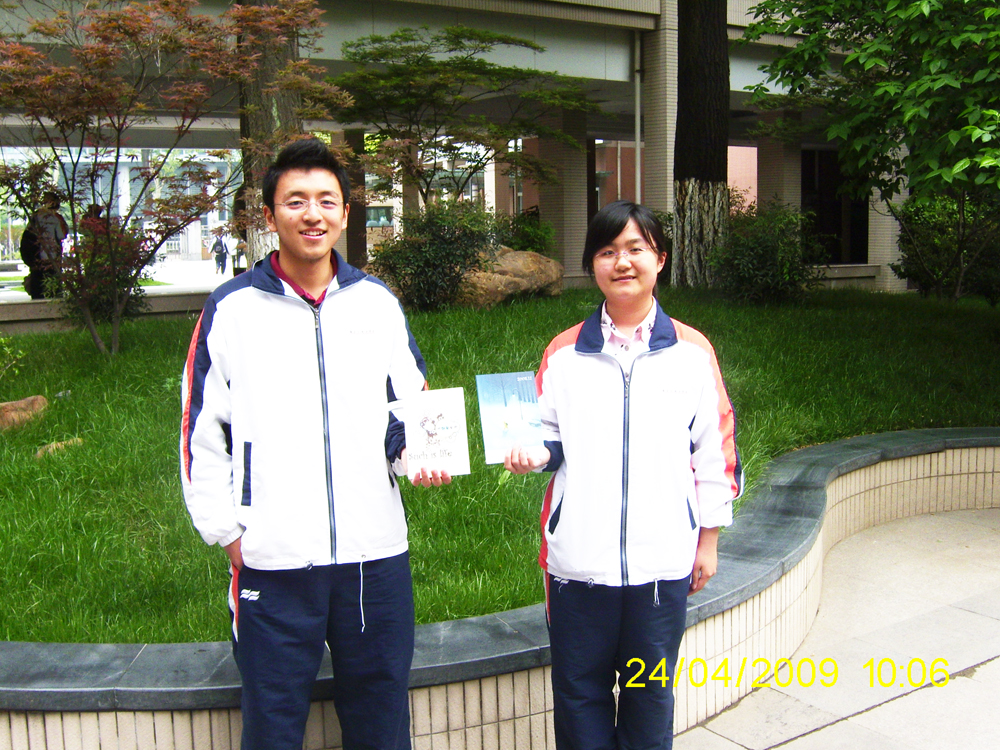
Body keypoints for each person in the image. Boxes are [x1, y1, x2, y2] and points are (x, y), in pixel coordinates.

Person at [180, 138, 451, 750]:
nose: (313, 214)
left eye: (327, 200)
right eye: (295, 200)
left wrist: (416, 454)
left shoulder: (376, 303)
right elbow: (201, 431)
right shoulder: (232, 309)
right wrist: (228, 531)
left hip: (374, 556)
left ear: (346, 213)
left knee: (382, 723)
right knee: (273, 726)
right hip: (272, 558)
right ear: (270, 214)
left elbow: (407, 406)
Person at [505, 201, 742, 750]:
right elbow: (549, 438)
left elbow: (715, 451)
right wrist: (531, 454)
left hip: (660, 571)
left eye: (636, 249)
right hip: (577, 569)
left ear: (660, 259)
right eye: (608, 251)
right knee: (579, 696)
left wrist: (708, 539)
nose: (622, 262)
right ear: (593, 264)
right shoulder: (564, 352)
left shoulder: (692, 352)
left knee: (648, 699)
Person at [25, 192, 69, 299]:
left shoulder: (35, 217)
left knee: (38, 291)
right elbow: (62, 235)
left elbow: (27, 237)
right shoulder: (56, 218)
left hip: (37, 259)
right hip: (53, 258)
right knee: (54, 290)